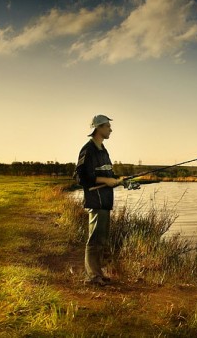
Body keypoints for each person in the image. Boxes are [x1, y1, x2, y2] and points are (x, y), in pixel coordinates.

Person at [74, 114, 122, 286]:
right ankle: (92, 277)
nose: (110, 129)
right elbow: (80, 178)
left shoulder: (103, 149)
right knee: (94, 240)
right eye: (108, 126)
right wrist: (104, 181)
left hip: (105, 201)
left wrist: (117, 180)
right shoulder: (88, 150)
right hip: (95, 201)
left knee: (102, 239)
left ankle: (98, 274)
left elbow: (107, 174)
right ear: (99, 128)